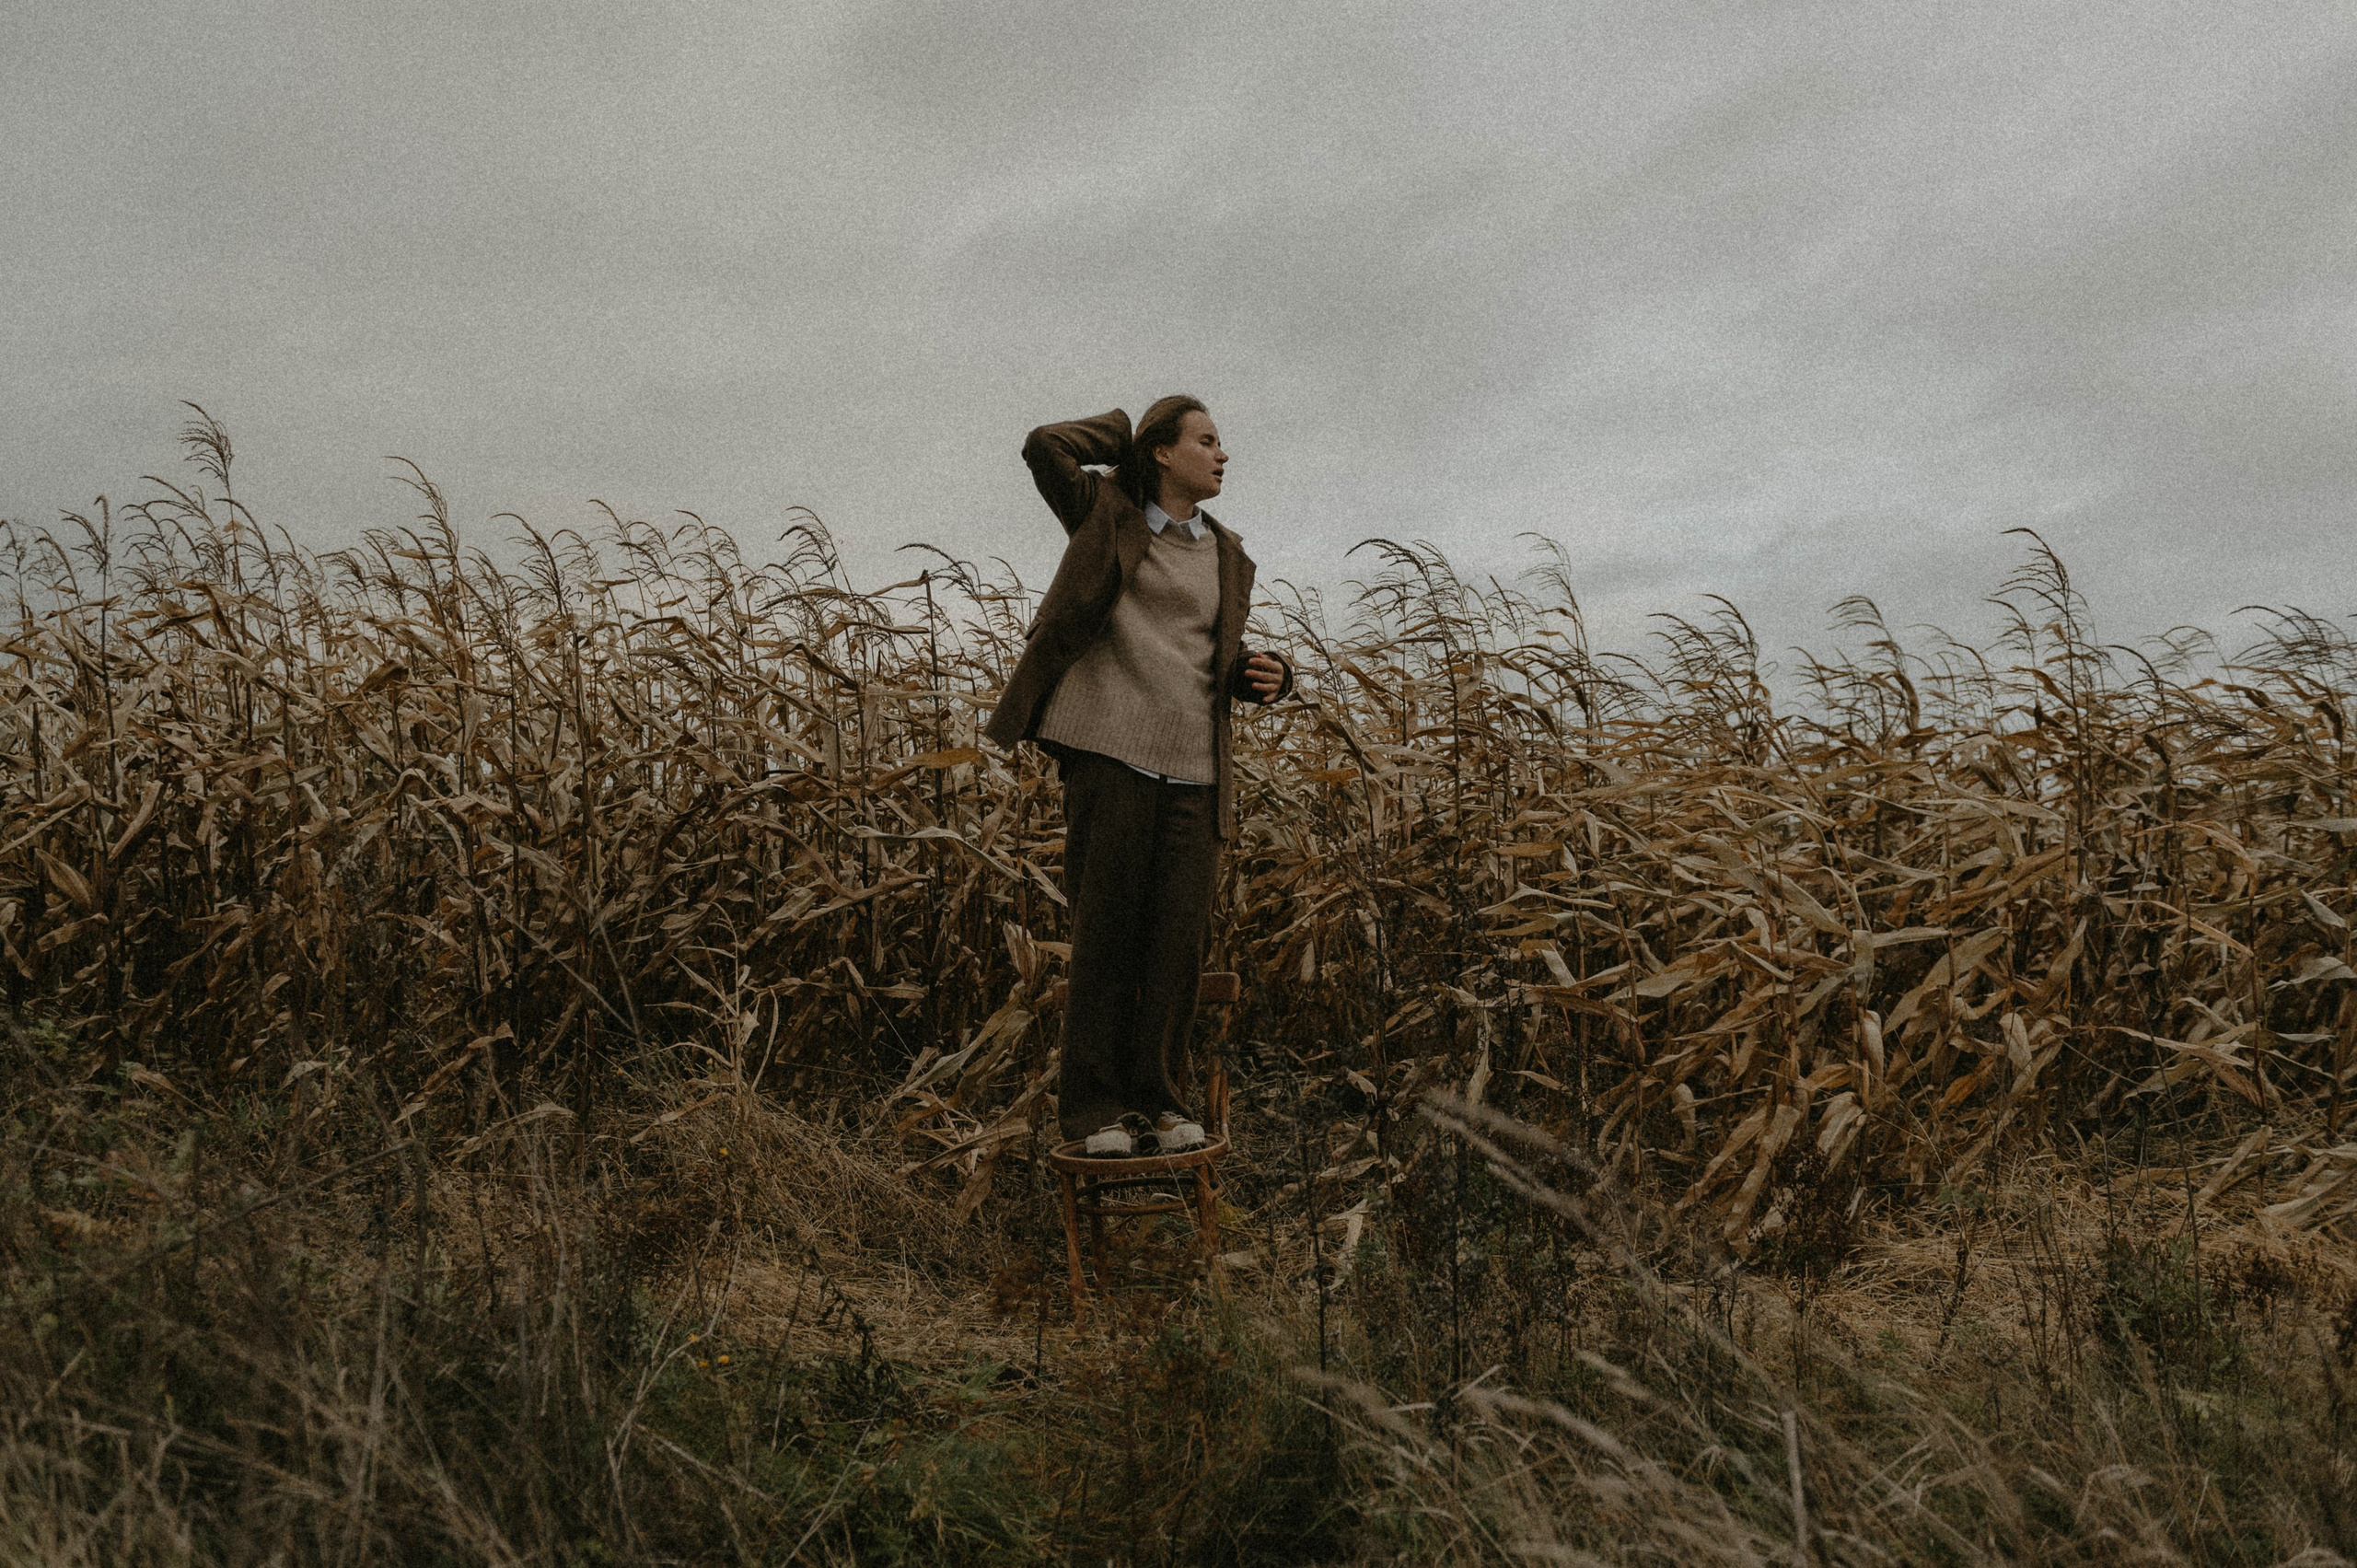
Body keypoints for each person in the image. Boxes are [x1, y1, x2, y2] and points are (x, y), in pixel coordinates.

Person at [983, 397, 1294, 1157]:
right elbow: (1042, 444)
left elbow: (1219, 654)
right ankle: (1093, 1112)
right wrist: (1121, 430)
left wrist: (1272, 677)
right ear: (1162, 451)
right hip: (1110, 750)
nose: (1223, 455)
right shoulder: (1103, 512)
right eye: (1207, 440)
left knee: (1175, 944)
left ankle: (1159, 1101)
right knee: (1107, 933)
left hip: (1195, 766)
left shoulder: (1226, 551)